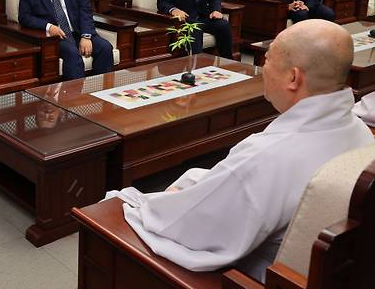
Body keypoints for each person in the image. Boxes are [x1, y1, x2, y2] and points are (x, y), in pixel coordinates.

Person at [106, 19, 373, 282]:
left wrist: (134, 202)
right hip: (332, 271)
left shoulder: (267, 156)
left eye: (266, 60)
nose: (262, 67)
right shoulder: (359, 130)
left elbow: (189, 228)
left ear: (293, 77)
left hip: (262, 276)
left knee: (114, 211)